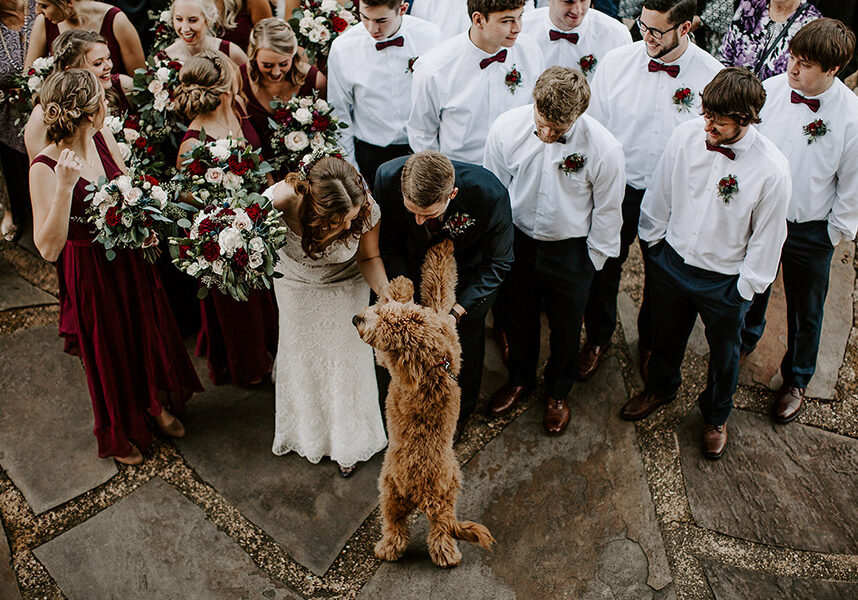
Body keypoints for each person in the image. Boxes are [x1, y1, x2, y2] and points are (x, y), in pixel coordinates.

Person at [29, 69, 203, 465]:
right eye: (102, 99)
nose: (108, 103)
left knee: (143, 331)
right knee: (110, 348)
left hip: (127, 259)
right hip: (90, 269)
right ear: (88, 112)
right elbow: (47, 248)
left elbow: (128, 189)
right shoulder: (43, 166)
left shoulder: (102, 137)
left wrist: (144, 227)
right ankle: (121, 425)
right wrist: (64, 187)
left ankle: (153, 403)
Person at [627, 67, 791, 459]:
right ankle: (660, 388)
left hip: (725, 281)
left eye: (719, 120)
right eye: (706, 114)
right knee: (665, 337)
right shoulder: (686, 136)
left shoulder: (773, 170)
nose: (708, 125)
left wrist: (744, 289)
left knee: (725, 356)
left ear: (747, 119)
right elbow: (661, 190)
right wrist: (655, 245)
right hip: (673, 262)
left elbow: (769, 239)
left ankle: (716, 416)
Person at [580, 0, 722, 383]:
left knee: (663, 279)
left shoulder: (713, 76)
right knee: (605, 264)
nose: (646, 36)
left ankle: (651, 343)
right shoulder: (615, 64)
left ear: (686, 28)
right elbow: (595, 130)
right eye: (642, 25)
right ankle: (597, 338)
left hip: (676, 196)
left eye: (657, 31)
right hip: (619, 187)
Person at [483, 66, 624, 434]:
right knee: (518, 318)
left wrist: (590, 261)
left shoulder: (605, 149)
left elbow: (608, 212)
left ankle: (558, 392)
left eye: (557, 130)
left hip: (571, 251)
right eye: (541, 122)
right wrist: (499, 246)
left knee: (565, 329)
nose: (546, 134)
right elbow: (495, 191)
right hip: (519, 242)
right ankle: (519, 379)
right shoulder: (506, 129)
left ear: (578, 115)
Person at [738, 18, 858, 421]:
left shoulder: (851, 119)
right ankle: (746, 337)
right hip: (762, 216)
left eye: (805, 65)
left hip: (811, 230)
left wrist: (833, 234)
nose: (792, 69)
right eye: (792, 57)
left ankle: (797, 378)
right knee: (754, 285)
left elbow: (853, 185)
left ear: (833, 70)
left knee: (807, 308)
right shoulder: (770, 92)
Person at [264, 155, 388, 477]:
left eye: (351, 219)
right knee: (303, 357)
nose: (349, 227)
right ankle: (307, 432)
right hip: (294, 286)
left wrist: (385, 293)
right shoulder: (277, 202)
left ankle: (349, 441)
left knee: (346, 364)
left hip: (346, 283)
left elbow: (369, 255)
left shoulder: (363, 208)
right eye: (339, 221)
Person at [375, 150, 514, 433]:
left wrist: (456, 312)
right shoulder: (386, 177)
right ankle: (398, 411)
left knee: (465, 346)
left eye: (428, 214)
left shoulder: (489, 194)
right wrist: (406, 289)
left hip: (467, 278)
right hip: (410, 265)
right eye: (411, 210)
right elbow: (388, 243)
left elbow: (498, 263)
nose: (418, 221)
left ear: (452, 195)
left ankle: (459, 414)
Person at [174, 50, 278, 386]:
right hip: (226, 239)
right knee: (239, 307)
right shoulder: (192, 144)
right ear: (221, 87)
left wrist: (271, 202)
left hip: (258, 219)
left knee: (267, 297)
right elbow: (191, 202)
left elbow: (259, 159)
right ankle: (249, 368)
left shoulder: (237, 106)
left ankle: (272, 349)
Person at [407, 0, 544, 165]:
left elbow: (532, 111)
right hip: (462, 170)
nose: (517, 28)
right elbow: (422, 133)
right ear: (479, 20)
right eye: (507, 21)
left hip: (516, 163)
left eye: (519, 17)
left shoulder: (530, 50)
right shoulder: (434, 69)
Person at [328, 0, 441, 189]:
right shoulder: (343, 48)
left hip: (420, 150)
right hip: (370, 154)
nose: (372, 28)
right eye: (365, 17)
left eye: (381, 20)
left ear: (402, 9)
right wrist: (352, 172)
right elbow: (339, 113)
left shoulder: (430, 36)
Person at [25, 30, 134, 162]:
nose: (108, 66)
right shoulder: (43, 113)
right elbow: (40, 167)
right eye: (98, 63)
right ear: (71, 71)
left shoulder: (123, 85)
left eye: (109, 58)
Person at [240, 18, 326, 167]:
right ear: (254, 56)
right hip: (256, 168)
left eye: (283, 64)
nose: (276, 72)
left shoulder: (315, 80)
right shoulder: (240, 78)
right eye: (267, 65)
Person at [25, 0, 146, 75]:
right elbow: (29, 75)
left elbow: (139, 79)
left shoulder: (116, 20)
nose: (37, 11)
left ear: (68, 2)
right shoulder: (44, 22)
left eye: (44, 6)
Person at [0, 0, 36, 242]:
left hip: (47, 111)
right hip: (6, 117)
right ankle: (11, 208)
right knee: (13, 172)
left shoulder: (40, 7)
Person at [522, 0, 631, 77]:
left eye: (583, 1)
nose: (577, 10)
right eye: (568, 1)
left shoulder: (616, 35)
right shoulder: (523, 29)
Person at [718, 0, 822, 80]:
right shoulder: (750, 5)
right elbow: (724, 56)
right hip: (734, 97)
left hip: (775, 103)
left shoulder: (812, 24)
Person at [158, 0, 248, 65]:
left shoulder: (232, 53)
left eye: (193, 20)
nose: (185, 28)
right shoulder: (162, 60)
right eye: (179, 19)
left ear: (208, 19)